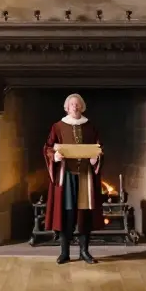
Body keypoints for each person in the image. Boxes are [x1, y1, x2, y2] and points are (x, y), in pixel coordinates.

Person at [42, 93, 103, 265]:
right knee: (66, 213)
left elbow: (99, 147)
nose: (75, 107)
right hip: (66, 176)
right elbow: (47, 147)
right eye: (71, 104)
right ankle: (64, 252)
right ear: (66, 108)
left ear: (82, 107)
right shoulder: (58, 126)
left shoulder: (90, 126)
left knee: (84, 214)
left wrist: (95, 158)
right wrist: (55, 156)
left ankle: (84, 251)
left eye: (77, 104)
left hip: (85, 176)